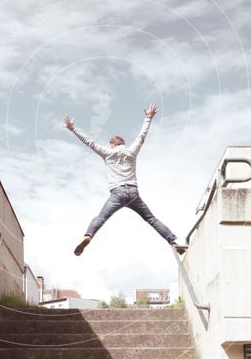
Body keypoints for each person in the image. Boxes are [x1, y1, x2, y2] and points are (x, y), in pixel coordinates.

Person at [63, 102, 187, 256]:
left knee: (101, 217)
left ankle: (88, 236)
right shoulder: (131, 152)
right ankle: (173, 241)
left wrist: (73, 129)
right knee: (151, 219)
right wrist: (148, 118)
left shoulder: (107, 153)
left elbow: (89, 142)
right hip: (133, 194)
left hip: (117, 193)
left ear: (112, 144)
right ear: (123, 143)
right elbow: (142, 137)